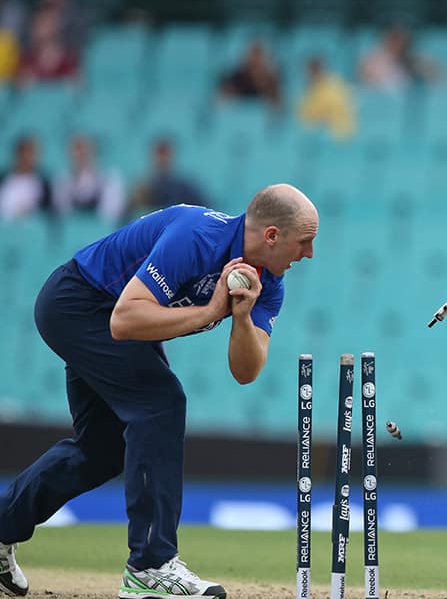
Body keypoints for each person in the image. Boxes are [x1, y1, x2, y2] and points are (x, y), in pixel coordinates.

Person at [0, 184, 319, 598]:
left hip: (108, 319)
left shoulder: (268, 281)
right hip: (77, 303)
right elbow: (123, 320)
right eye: (304, 242)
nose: (308, 254)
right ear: (272, 235)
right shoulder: (196, 235)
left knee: (103, 450)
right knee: (160, 404)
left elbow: (247, 371)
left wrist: (240, 318)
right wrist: (208, 312)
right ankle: (150, 566)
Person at [52, 134, 127, 223]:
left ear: (94, 152)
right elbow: (63, 211)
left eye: (85, 150)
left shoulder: (111, 177)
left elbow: (111, 213)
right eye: (77, 150)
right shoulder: (62, 179)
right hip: (73, 229)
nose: (81, 155)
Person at [129, 138, 207, 218]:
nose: (162, 159)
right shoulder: (142, 187)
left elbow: (203, 211)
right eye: (159, 154)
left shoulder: (184, 188)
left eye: (165, 154)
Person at [297, 55, 356, 142]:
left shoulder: (336, 86)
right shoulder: (306, 92)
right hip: (316, 138)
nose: (311, 75)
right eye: (310, 72)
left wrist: (322, 118)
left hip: (340, 137)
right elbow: (302, 118)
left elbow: (341, 112)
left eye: (315, 70)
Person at [0, 135, 52, 222]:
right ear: (17, 154)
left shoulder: (43, 183)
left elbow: (46, 211)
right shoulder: (3, 179)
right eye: (24, 153)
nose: (27, 158)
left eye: (31, 154)